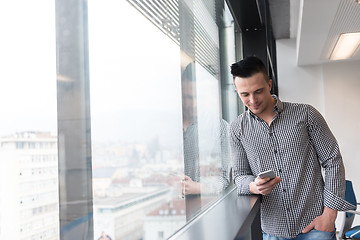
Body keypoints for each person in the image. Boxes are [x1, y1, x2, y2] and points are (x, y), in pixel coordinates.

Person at [229, 56, 354, 240]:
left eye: (258, 91)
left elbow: (332, 160)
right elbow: (239, 176)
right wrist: (254, 186)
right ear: (237, 92)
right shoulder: (237, 129)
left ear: (269, 84)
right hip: (273, 232)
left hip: (316, 227)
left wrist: (330, 215)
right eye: (245, 95)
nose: (253, 100)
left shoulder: (306, 114)